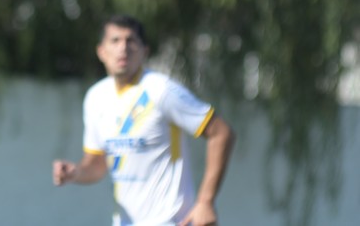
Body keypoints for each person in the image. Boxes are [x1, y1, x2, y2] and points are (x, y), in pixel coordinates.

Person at [52, 15, 235, 226]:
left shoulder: (161, 90)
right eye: (115, 40)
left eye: (131, 41)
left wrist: (205, 201)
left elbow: (221, 132)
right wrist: (76, 172)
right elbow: (97, 164)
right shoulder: (96, 97)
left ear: (144, 51)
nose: (123, 48)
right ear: (101, 51)